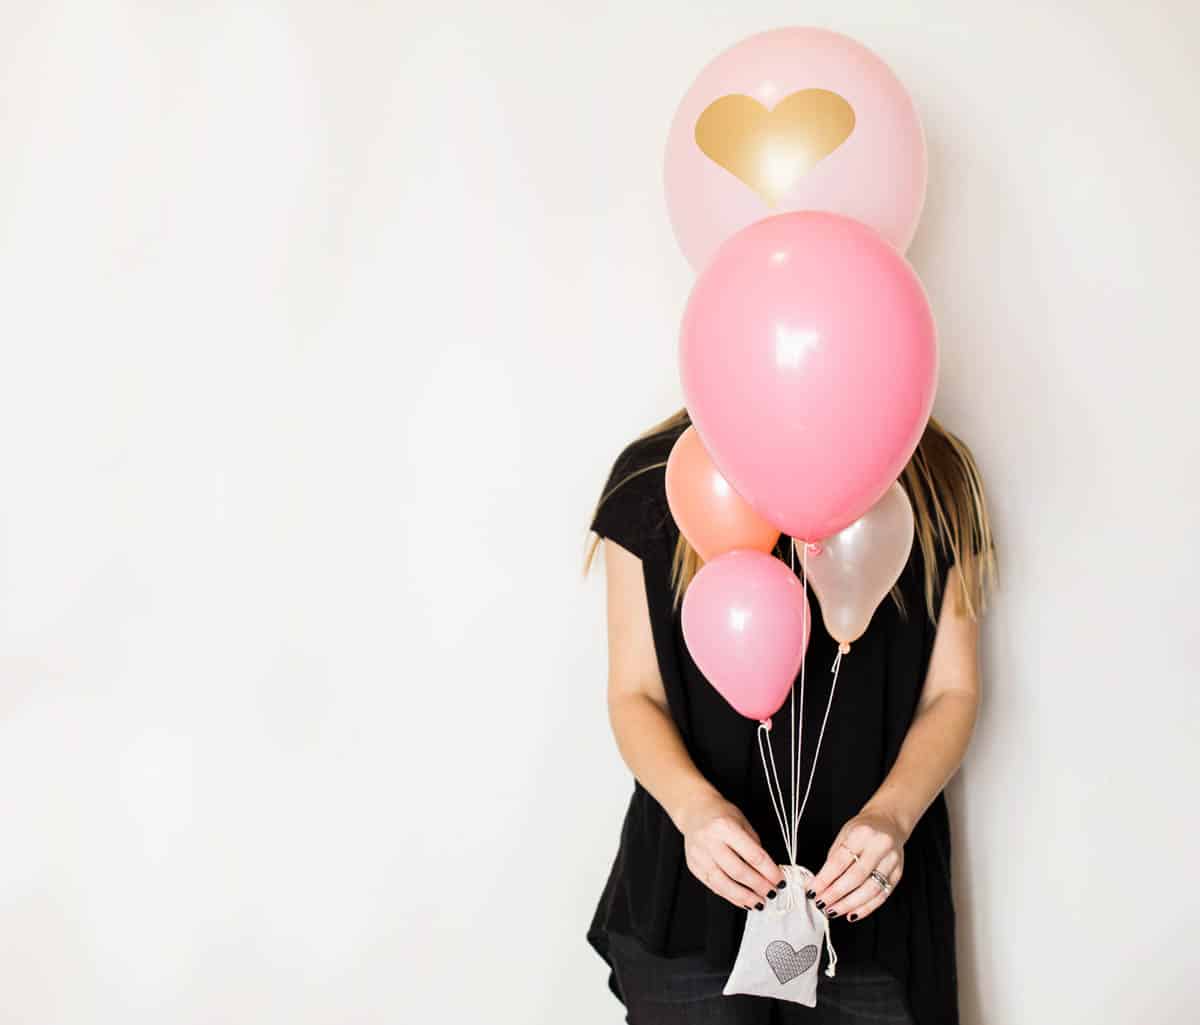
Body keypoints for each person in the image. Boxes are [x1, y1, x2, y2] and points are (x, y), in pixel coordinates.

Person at [583, 409, 997, 1025]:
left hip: (870, 902)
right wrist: (695, 810)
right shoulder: (656, 476)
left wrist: (892, 815)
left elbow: (953, 691)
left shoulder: (936, 475)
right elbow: (634, 694)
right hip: (689, 904)